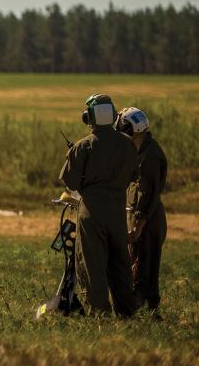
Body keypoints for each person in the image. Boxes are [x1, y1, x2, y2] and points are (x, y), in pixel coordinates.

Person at [59, 93, 139, 317]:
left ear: (89, 117)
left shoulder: (83, 147)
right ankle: (127, 313)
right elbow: (134, 175)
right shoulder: (128, 144)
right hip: (117, 212)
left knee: (93, 265)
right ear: (113, 115)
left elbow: (71, 182)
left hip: (91, 213)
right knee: (120, 263)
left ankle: (99, 314)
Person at [117, 107, 168, 313]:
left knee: (142, 270)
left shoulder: (149, 157)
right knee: (141, 266)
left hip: (148, 221)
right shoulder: (141, 151)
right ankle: (148, 312)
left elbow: (147, 196)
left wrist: (137, 228)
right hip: (143, 217)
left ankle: (139, 314)